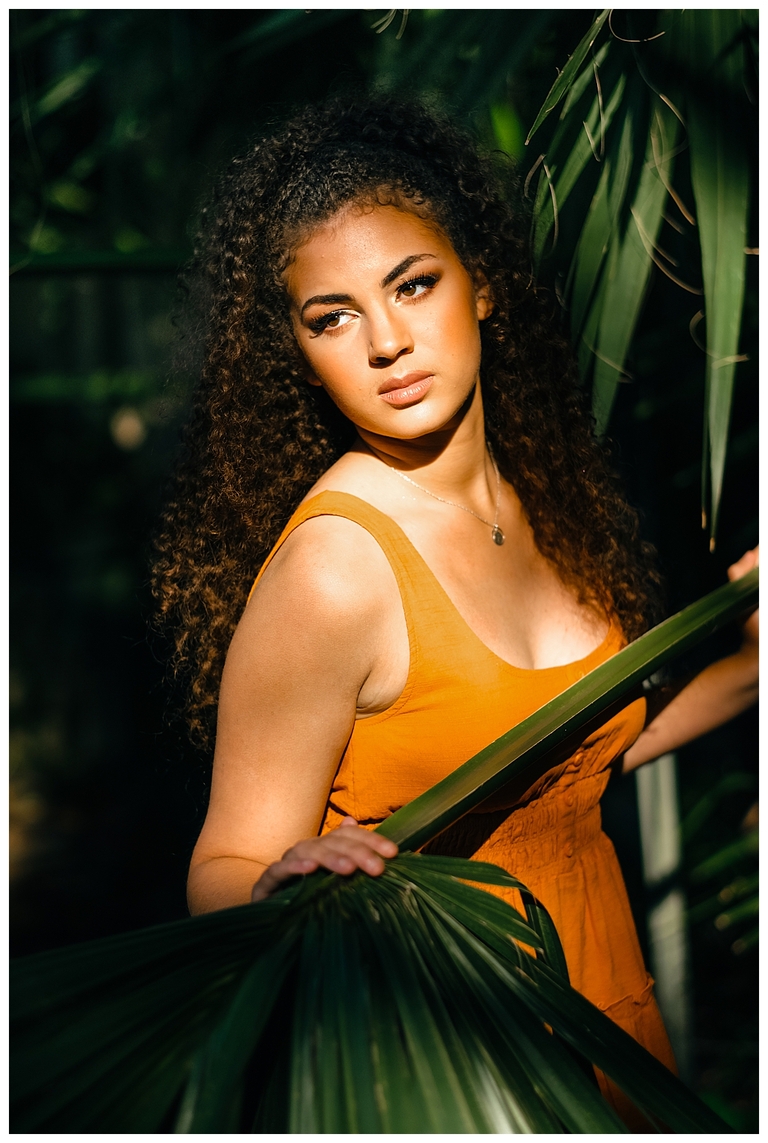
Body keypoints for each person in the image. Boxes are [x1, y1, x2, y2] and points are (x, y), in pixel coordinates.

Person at [152, 95, 758, 1129]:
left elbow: (571, 754)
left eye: (413, 284)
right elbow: (224, 867)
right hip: (451, 1063)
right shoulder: (335, 571)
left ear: (482, 285)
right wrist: (281, 882)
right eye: (332, 317)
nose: (387, 342)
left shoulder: (536, 491)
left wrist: (751, 658)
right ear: (298, 351)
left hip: (611, 1027)